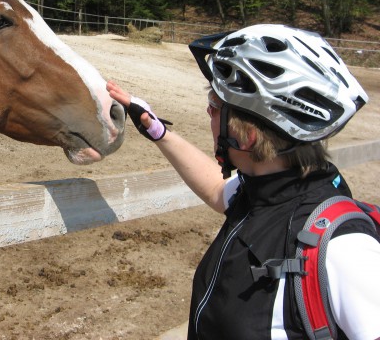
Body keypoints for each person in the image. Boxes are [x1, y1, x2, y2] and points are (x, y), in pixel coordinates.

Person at [106, 24, 380, 340]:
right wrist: (156, 130)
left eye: (214, 107)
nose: (208, 113)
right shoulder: (266, 192)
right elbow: (215, 189)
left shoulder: (344, 250)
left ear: (246, 136)